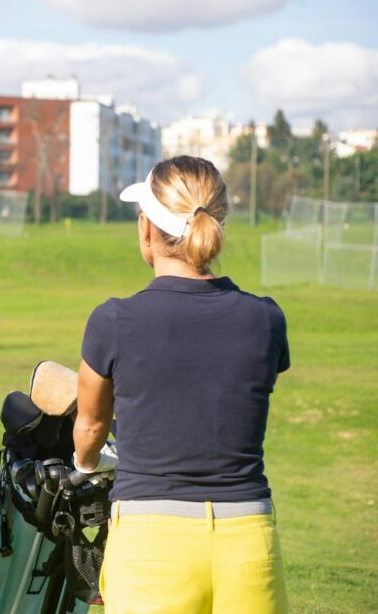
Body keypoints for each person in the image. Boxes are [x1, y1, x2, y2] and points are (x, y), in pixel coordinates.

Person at [72, 155, 289, 614]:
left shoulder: (113, 320)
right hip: (248, 541)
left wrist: (87, 464)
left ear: (146, 229)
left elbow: (90, 426)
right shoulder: (266, 319)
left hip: (151, 544)